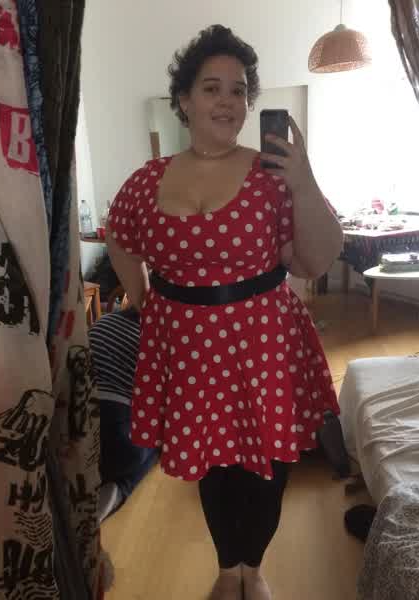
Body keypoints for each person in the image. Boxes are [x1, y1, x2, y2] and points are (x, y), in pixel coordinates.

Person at [106, 24, 343, 600]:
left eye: (239, 90)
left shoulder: (272, 175)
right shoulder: (147, 180)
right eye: (212, 88)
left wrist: (305, 180)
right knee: (212, 463)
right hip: (189, 348)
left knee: (269, 463)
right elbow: (119, 236)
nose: (228, 101)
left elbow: (314, 260)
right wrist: (143, 300)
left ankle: (253, 568)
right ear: (184, 100)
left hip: (264, 342)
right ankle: (226, 566)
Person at [88, 306, 159, 521]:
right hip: (117, 437)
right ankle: (119, 488)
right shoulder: (161, 340)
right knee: (162, 440)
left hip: (70, 428)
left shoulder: (103, 322)